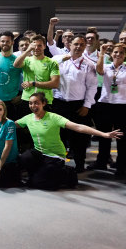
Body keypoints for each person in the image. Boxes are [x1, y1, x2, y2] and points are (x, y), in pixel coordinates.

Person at [17, 93, 121, 190]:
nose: (33, 105)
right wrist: (0, 114)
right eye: (30, 103)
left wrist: (104, 134)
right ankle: (40, 174)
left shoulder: (53, 117)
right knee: (25, 158)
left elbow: (78, 127)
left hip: (55, 156)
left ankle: (67, 173)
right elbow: (11, 124)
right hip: (40, 153)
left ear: (43, 103)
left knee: (41, 184)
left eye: (36, 103)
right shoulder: (28, 118)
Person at [89, 43, 126, 177]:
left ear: (125, 56)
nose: (118, 54)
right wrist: (102, 52)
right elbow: (99, 70)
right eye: (116, 52)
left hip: (123, 105)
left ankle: (121, 167)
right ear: (112, 54)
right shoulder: (106, 66)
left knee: (121, 137)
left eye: (121, 53)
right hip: (106, 104)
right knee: (104, 135)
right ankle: (102, 162)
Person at [51, 35, 97, 172]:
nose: (78, 47)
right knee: (58, 136)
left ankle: (79, 164)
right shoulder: (58, 60)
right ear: (70, 45)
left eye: (82, 45)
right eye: (76, 44)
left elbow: (92, 86)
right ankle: (57, 164)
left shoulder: (88, 65)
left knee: (79, 138)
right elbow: (47, 67)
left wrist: (87, 105)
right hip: (58, 104)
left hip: (78, 106)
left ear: (84, 47)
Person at [13, 34, 60, 106]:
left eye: (39, 45)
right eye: (34, 46)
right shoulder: (26, 60)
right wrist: (27, 50)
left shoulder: (52, 62)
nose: (36, 48)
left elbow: (55, 84)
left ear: (44, 46)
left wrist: (33, 84)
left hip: (44, 101)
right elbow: (15, 65)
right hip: (27, 99)